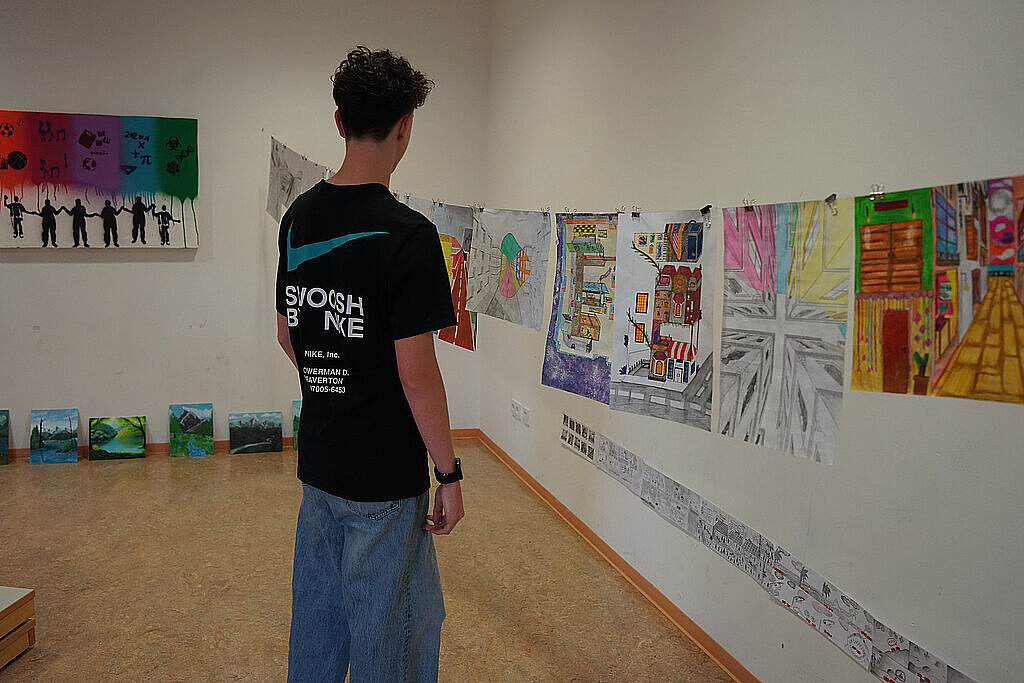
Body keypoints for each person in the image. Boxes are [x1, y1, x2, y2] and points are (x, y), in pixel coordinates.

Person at [276, 46, 463, 683]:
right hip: (384, 477)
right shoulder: (409, 236)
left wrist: (336, 376)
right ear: (406, 126)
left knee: (319, 628)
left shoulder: (298, 218)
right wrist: (449, 471)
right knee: (395, 637)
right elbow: (418, 375)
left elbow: (288, 333)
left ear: (339, 121)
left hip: (320, 463)